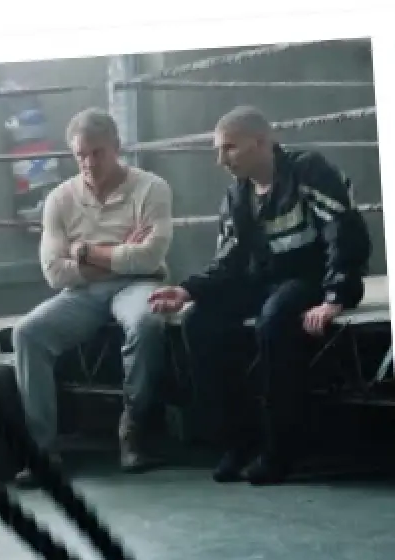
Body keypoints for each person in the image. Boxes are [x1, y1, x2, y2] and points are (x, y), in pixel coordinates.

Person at [148, 106, 371, 486]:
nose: (221, 160)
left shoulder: (308, 171)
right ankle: (237, 443)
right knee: (200, 321)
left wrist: (335, 296)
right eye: (218, 150)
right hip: (265, 281)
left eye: (230, 148)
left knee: (275, 319)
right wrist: (186, 290)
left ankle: (280, 450)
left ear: (262, 142)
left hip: (311, 277)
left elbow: (344, 232)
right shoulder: (237, 196)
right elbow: (228, 262)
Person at [12, 108, 174, 479]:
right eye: (80, 155)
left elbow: (150, 256)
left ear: (116, 147)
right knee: (27, 333)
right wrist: (122, 254)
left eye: (96, 153)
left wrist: (84, 251)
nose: (87, 163)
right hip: (83, 291)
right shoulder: (59, 199)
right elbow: (54, 272)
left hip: (139, 283)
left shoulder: (152, 188)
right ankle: (42, 451)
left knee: (146, 322)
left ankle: (132, 432)